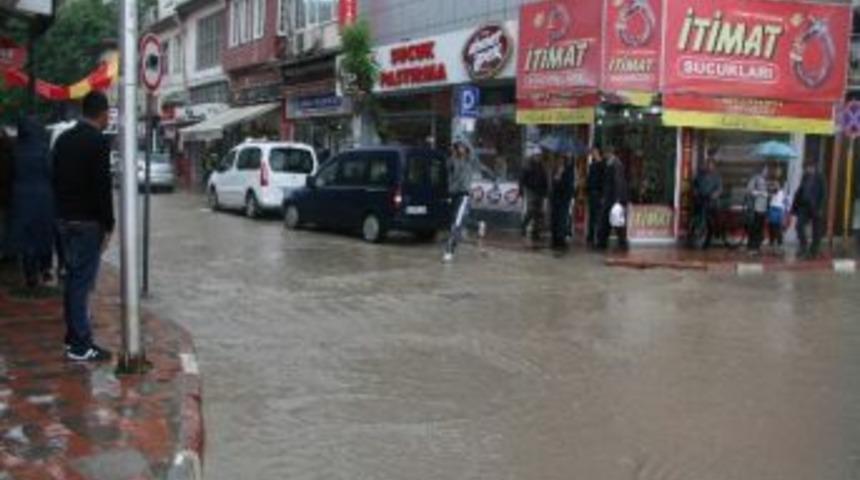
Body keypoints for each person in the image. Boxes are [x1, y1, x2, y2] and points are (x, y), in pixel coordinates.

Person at [53, 91, 115, 362]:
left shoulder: (63, 140)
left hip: (64, 221)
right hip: (88, 224)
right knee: (81, 283)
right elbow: (102, 188)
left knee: (71, 280)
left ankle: (72, 338)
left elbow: (52, 178)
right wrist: (109, 223)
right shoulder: (98, 143)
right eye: (108, 113)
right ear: (102, 114)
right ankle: (80, 345)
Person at [9, 117, 55, 288]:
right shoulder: (44, 150)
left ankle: (30, 274)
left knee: (26, 237)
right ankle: (44, 268)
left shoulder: (16, 151)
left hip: (21, 198)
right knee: (43, 235)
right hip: (44, 198)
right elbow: (52, 172)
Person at [443, 138, 480, 262]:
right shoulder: (452, 161)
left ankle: (449, 250)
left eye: (461, 147)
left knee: (457, 222)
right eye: (457, 147)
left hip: (464, 195)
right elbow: (449, 174)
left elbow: (474, 154)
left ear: (466, 149)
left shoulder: (470, 160)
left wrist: (462, 139)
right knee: (455, 220)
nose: (459, 149)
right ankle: (478, 225)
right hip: (453, 194)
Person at [792, 160, 826, 259]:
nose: (806, 170)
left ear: (813, 167)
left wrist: (820, 207)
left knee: (816, 230)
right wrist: (794, 206)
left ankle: (814, 250)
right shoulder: (805, 177)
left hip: (816, 207)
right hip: (804, 206)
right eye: (805, 168)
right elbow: (800, 190)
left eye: (807, 168)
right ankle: (803, 246)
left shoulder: (820, 177)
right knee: (798, 226)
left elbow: (823, 194)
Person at [597, 147, 629, 250]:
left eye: (605, 153)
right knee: (607, 220)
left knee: (616, 222)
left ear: (609, 153)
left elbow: (618, 182)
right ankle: (602, 242)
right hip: (610, 198)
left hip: (613, 198)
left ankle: (622, 244)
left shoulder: (616, 165)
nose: (604, 156)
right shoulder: (610, 163)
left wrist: (617, 200)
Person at [691, 158, 722, 248]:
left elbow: (719, 188)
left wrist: (715, 194)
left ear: (714, 166)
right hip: (700, 200)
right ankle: (696, 236)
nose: (708, 166)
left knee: (711, 221)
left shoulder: (717, 176)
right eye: (707, 164)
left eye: (710, 165)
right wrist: (695, 192)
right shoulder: (700, 175)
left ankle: (709, 239)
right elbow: (695, 185)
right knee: (698, 218)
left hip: (711, 202)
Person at [519, 150, 549, 243]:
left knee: (538, 212)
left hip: (539, 191)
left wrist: (545, 191)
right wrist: (521, 190)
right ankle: (523, 226)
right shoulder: (528, 165)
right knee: (531, 210)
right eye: (537, 155)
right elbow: (522, 178)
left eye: (539, 156)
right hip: (530, 190)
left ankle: (535, 232)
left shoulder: (541, 167)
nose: (538, 157)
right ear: (533, 156)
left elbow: (545, 180)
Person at [550, 152, 575, 249]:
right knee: (556, 218)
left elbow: (569, 184)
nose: (560, 161)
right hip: (556, 198)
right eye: (559, 159)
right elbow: (554, 183)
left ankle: (561, 238)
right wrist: (557, 177)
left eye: (562, 159)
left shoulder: (569, 169)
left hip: (564, 198)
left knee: (562, 219)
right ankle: (556, 238)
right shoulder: (556, 169)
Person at [746, 166, 769, 254]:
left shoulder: (764, 180)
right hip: (756, 208)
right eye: (766, 170)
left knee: (760, 228)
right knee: (755, 228)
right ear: (761, 170)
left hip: (763, 208)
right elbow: (749, 190)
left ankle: (757, 247)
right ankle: (752, 247)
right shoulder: (755, 178)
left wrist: (767, 193)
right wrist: (761, 193)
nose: (767, 172)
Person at [585, 147, 605, 247]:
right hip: (592, 193)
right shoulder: (592, 165)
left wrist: (602, 194)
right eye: (592, 152)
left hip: (598, 193)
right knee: (592, 215)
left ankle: (597, 236)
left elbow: (603, 181)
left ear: (598, 153)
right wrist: (587, 191)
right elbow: (589, 180)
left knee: (598, 216)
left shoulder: (602, 165)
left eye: (594, 152)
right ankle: (590, 235)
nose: (593, 154)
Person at [767, 167, 788, 250]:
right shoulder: (774, 182)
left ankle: (779, 242)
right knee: (772, 226)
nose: (777, 172)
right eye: (777, 171)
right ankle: (772, 241)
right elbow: (772, 191)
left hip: (778, 208)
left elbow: (778, 191)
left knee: (777, 227)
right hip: (773, 207)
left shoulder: (782, 184)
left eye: (779, 171)